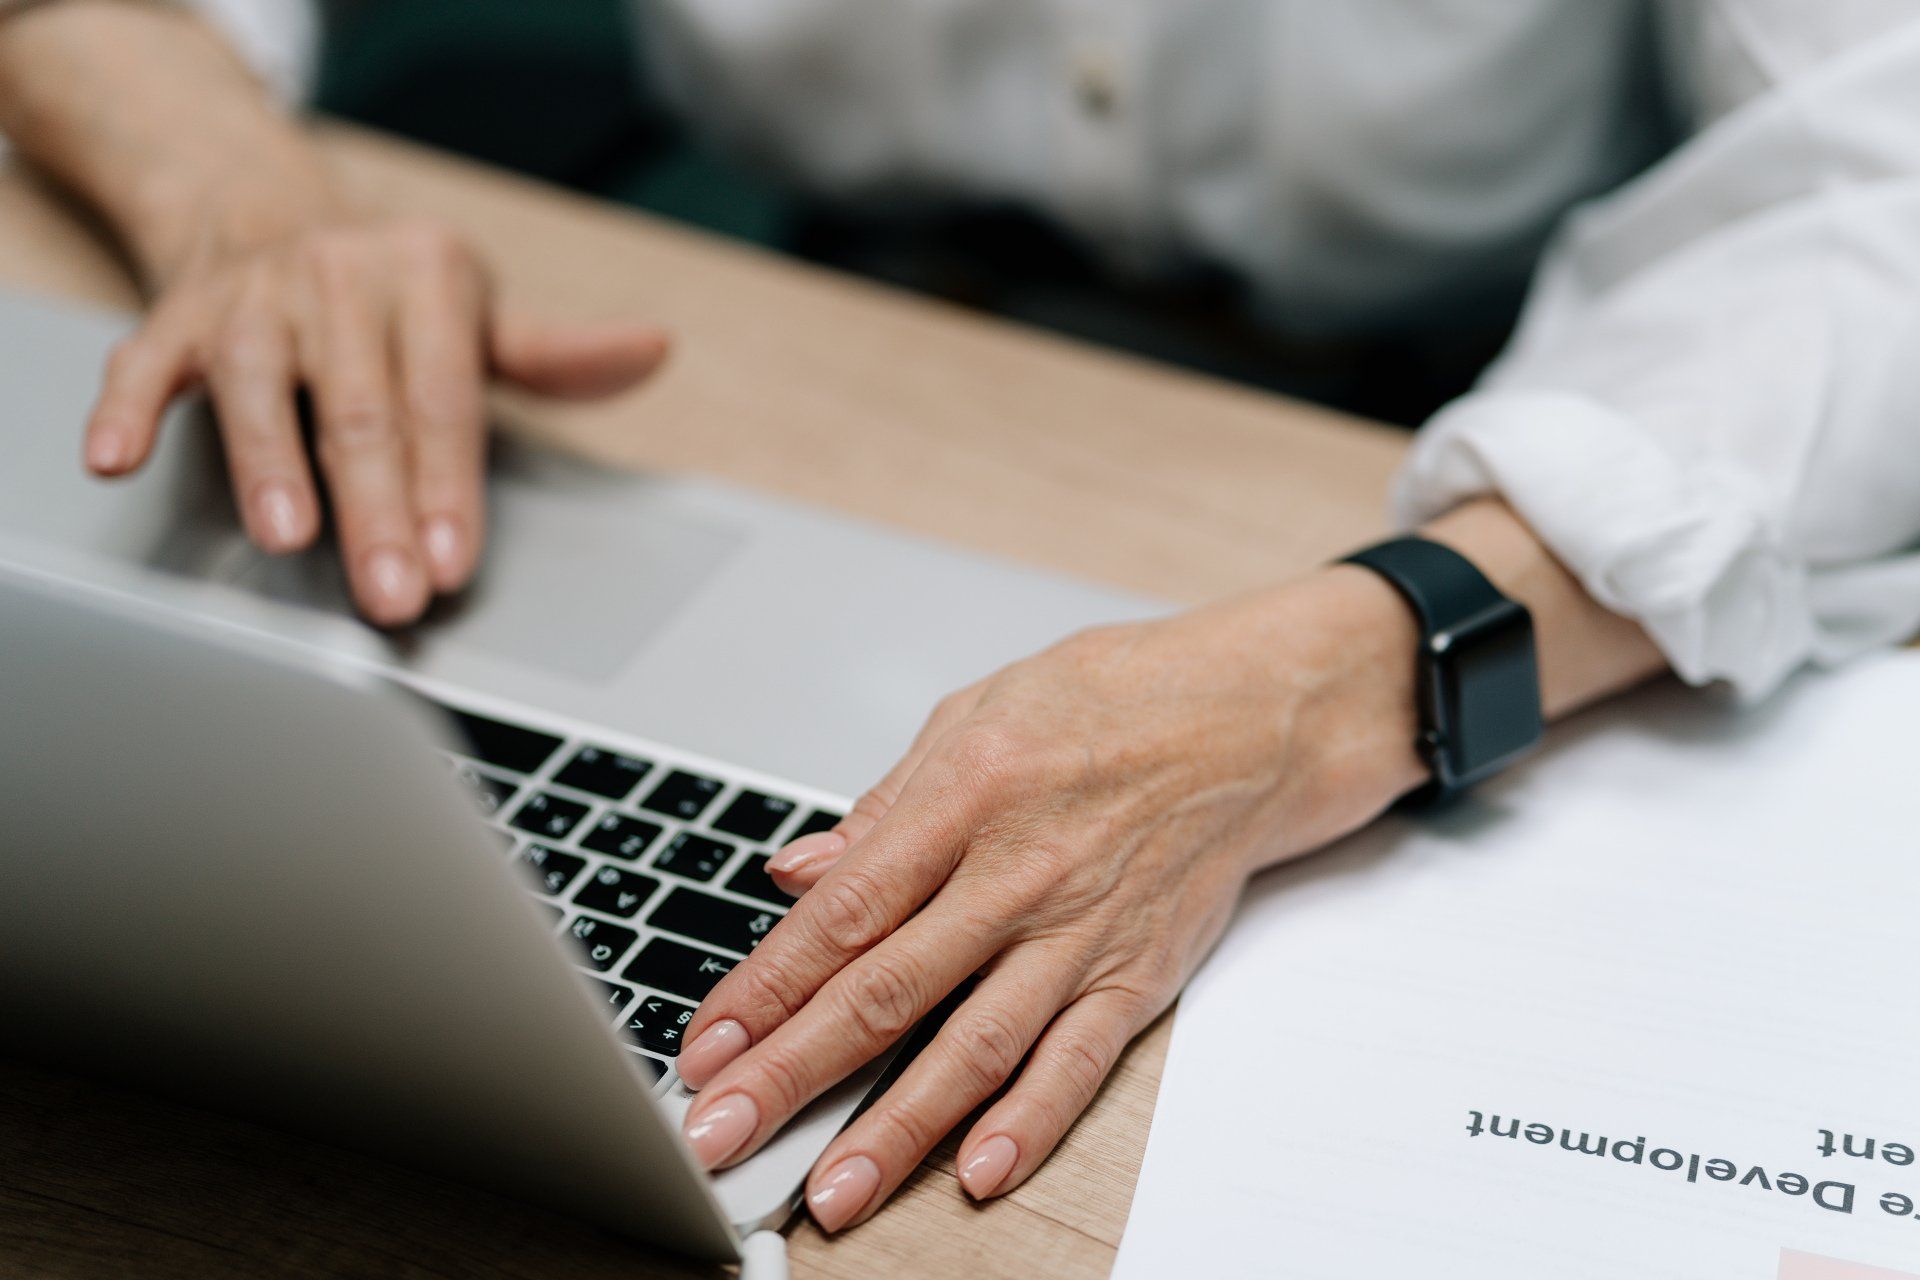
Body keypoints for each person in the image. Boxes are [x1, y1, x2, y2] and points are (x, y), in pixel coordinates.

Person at [2, 0, 1916, 1238]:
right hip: (767, 324)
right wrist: (244, 199)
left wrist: (1363, 664)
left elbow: (1887, 190)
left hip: (1408, 419)